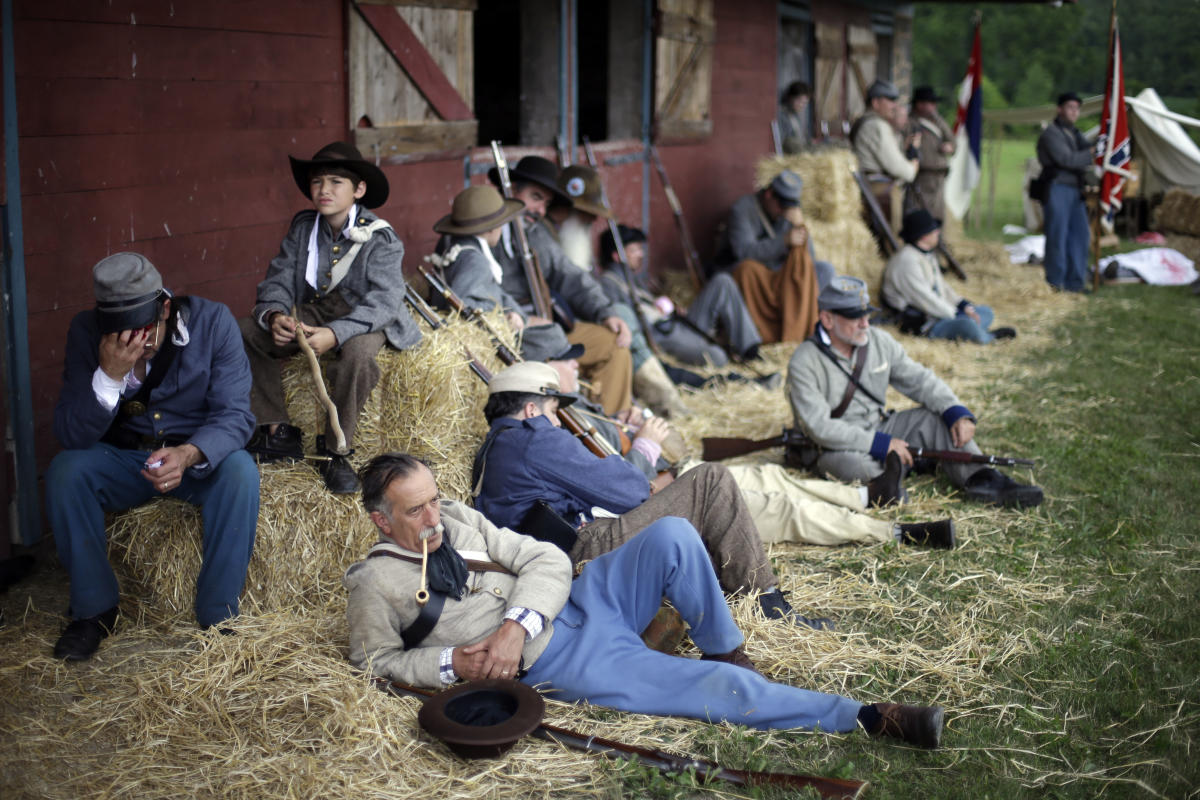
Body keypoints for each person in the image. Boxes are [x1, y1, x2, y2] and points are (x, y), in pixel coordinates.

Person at [344, 452, 946, 747]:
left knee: (674, 535)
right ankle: (866, 716)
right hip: (560, 660)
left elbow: (547, 558)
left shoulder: (459, 516)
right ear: (380, 520)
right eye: (415, 508)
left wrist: (516, 625)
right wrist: (454, 665)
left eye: (433, 498)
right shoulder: (374, 583)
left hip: (579, 601)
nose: (433, 515)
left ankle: (726, 650)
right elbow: (375, 663)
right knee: (703, 695)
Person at [45, 253, 259, 661]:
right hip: (124, 458)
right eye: (120, 333)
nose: (135, 344)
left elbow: (236, 416)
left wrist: (189, 452)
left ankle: (218, 617)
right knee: (65, 472)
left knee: (240, 472)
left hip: (194, 457)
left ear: (165, 308)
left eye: (143, 330)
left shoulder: (213, 322)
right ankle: (94, 611)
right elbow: (71, 435)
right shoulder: (85, 332)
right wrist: (107, 377)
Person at [540, 358, 957, 551]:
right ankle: (896, 533)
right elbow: (615, 490)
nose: (576, 365)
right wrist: (645, 445)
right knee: (782, 509)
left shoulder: (576, 413)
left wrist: (629, 422)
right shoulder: (554, 441)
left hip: (679, 474)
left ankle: (868, 498)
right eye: (565, 360)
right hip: (661, 496)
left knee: (774, 479)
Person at [239, 141, 420, 493]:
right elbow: (277, 280)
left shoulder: (381, 238)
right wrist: (276, 315)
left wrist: (335, 334)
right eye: (318, 182)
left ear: (359, 190)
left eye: (336, 182)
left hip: (363, 317)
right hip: (314, 310)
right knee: (246, 330)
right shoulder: (303, 228)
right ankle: (277, 430)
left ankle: (336, 450)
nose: (324, 190)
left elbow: (384, 302)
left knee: (358, 356)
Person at [787, 276, 1044, 508]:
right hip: (836, 446)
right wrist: (880, 444)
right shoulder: (804, 362)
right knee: (854, 466)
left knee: (935, 420)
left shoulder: (878, 341)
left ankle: (983, 478)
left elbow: (918, 379)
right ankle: (894, 478)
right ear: (827, 319)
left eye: (867, 314)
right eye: (855, 317)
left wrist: (954, 410)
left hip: (880, 427)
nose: (866, 323)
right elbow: (820, 428)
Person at [487, 156, 634, 415]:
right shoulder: (486, 229)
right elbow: (480, 288)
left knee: (614, 345)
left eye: (545, 204)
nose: (540, 211)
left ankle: (610, 432)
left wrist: (605, 311)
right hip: (510, 332)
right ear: (511, 190)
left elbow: (570, 275)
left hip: (548, 326)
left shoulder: (536, 233)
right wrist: (522, 317)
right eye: (535, 197)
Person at [544, 165, 690, 418]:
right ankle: (660, 403)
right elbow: (569, 283)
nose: (592, 221)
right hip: (554, 329)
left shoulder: (565, 238)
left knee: (620, 323)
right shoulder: (546, 237)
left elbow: (578, 282)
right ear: (568, 209)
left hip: (572, 323)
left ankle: (661, 399)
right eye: (586, 214)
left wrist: (604, 312)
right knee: (618, 332)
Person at [597, 224, 764, 366]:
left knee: (722, 282)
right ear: (617, 256)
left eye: (640, 249)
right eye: (634, 250)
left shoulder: (634, 278)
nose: (641, 255)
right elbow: (627, 321)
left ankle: (750, 349)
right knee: (717, 357)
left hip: (676, 324)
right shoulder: (609, 284)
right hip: (662, 336)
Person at [714, 170, 835, 344]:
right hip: (753, 278)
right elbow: (744, 253)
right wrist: (783, 242)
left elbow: (808, 260)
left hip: (780, 277)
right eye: (782, 206)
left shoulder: (790, 214)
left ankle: (814, 329)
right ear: (770, 195)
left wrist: (800, 226)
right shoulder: (743, 209)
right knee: (747, 269)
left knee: (824, 270)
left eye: (789, 207)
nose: (783, 212)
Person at [883, 209, 1016, 344]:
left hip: (941, 313)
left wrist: (962, 305)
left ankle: (973, 330)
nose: (937, 232)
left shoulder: (925, 255)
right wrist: (956, 314)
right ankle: (987, 337)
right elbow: (924, 299)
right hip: (926, 323)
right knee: (967, 325)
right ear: (923, 236)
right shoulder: (906, 262)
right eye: (934, 230)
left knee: (986, 312)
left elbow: (942, 287)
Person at [1036, 92, 1095, 293]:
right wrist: (1091, 153)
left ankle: (1075, 283)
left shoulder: (1075, 133)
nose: (1074, 112)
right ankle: (1056, 282)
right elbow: (1066, 159)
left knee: (1080, 237)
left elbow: (1087, 151)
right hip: (1057, 187)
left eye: (1077, 108)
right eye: (1070, 107)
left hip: (1074, 189)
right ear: (1060, 109)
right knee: (1057, 236)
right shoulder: (1051, 133)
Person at [851, 79, 919, 226]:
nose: (894, 106)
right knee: (893, 239)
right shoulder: (876, 125)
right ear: (875, 102)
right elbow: (902, 171)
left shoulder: (865, 121)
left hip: (868, 187)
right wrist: (913, 164)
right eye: (890, 100)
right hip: (877, 188)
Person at [904, 86, 956, 220]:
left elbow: (952, 141)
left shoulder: (938, 120)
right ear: (919, 104)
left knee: (938, 215)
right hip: (922, 175)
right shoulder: (910, 122)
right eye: (930, 103)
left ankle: (937, 239)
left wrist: (950, 147)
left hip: (939, 174)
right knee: (922, 214)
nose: (934, 106)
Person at [777, 80, 811, 154]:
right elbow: (784, 141)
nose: (801, 105)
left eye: (804, 103)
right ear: (790, 98)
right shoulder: (781, 115)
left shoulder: (797, 117)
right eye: (799, 101)